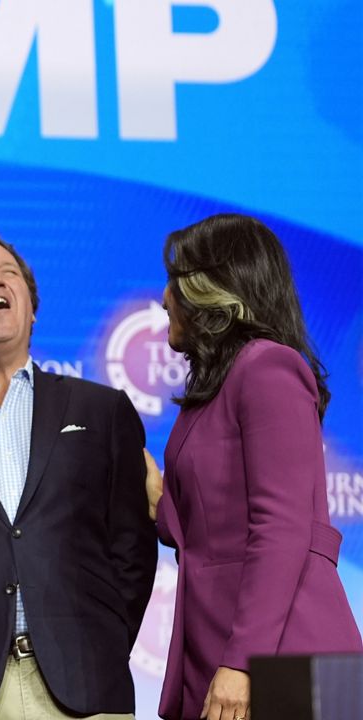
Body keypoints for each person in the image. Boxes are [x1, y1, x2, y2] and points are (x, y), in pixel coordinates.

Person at [0, 230, 157, 720]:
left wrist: (105, 641)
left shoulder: (102, 409)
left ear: (31, 307)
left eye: (9, 273)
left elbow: (133, 550)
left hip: (87, 688)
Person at [146, 213, 362, 720]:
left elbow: (281, 527)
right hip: (230, 650)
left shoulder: (267, 367)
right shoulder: (212, 390)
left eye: (176, 281)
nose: (163, 298)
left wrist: (243, 663)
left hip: (287, 658)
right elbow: (209, 533)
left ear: (213, 290)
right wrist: (155, 498)